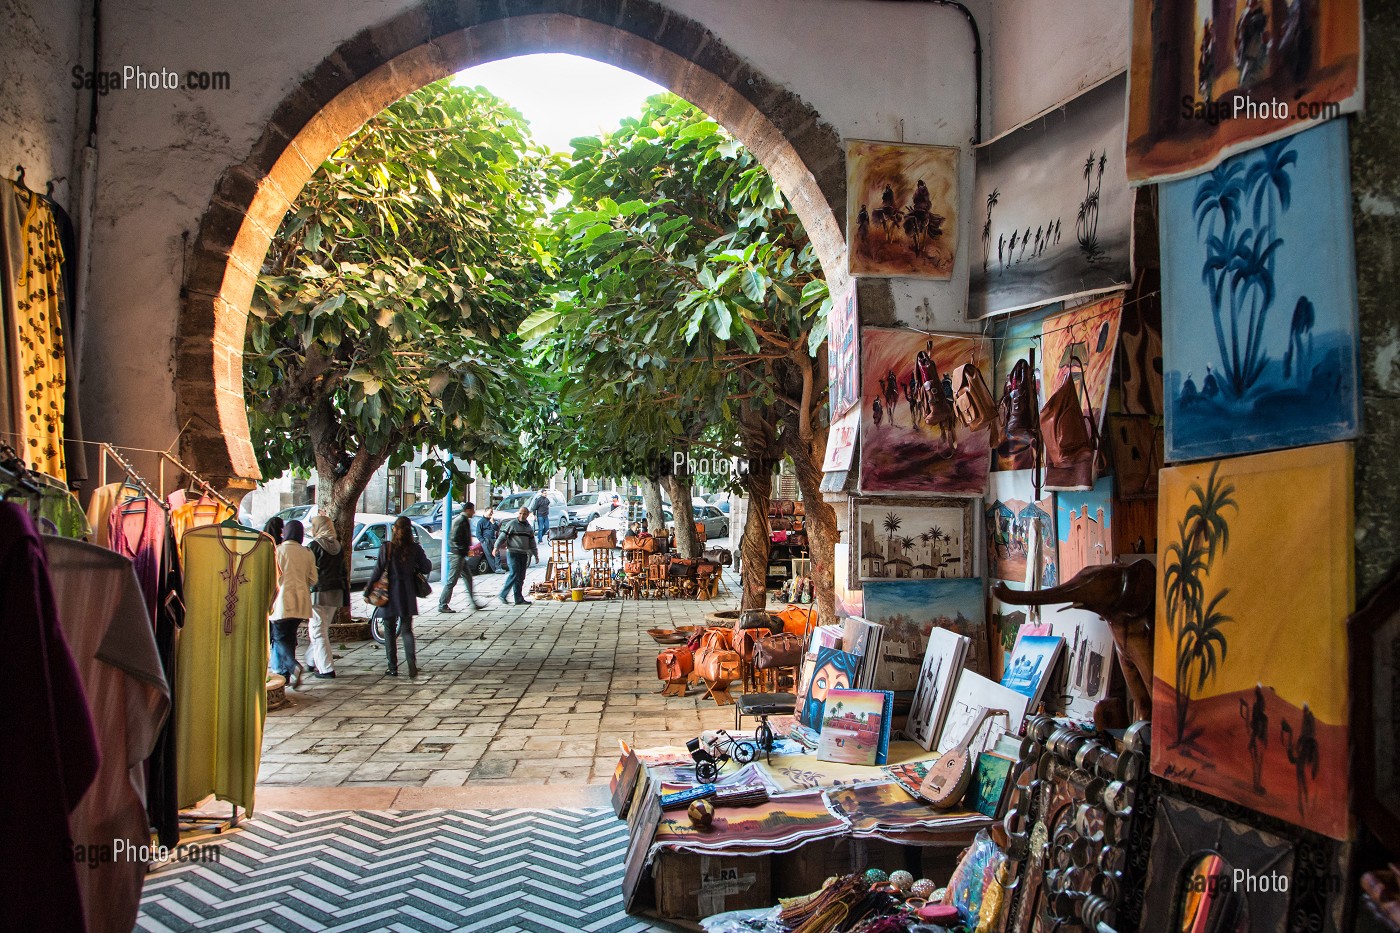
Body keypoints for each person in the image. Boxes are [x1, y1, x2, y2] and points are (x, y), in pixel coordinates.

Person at [365, 516, 432, 677]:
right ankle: (411, 663)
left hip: (389, 593)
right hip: (407, 592)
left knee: (389, 630)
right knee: (407, 630)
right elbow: (426, 567)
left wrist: (368, 590)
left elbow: (377, 571)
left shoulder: (387, 547)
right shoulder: (415, 548)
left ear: (394, 529)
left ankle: (392, 667)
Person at [269, 519, 316, 687]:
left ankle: (291, 665)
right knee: (289, 637)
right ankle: (286, 673)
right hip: (301, 602)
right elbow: (313, 579)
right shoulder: (307, 552)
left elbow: (272, 577)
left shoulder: (278, 551)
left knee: (279, 637)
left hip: (281, 601)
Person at [306, 515, 343, 678]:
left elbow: (310, 570)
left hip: (318, 592)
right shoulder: (338, 546)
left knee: (317, 631)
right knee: (322, 628)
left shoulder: (314, 546)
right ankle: (311, 660)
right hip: (336, 592)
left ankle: (326, 668)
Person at [439, 501, 486, 612]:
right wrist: (461, 550)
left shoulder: (463, 520)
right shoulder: (460, 521)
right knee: (452, 581)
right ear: (468, 510)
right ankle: (443, 604)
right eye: (473, 510)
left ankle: (473, 602)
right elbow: (453, 538)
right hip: (457, 555)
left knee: (468, 578)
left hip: (461, 555)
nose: (474, 512)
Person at [495, 506, 538, 605]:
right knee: (514, 574)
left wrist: (536, 555)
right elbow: (502, 536)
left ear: (527, 515)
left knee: (521, 577)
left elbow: (532, 542)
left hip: (523, 554)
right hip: (513, 553)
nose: (522, 515)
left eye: (524, 514)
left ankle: (518, 598)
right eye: (520, 513)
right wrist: (496, 547)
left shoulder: (528, 527)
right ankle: (503, 594)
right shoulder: (512, 524)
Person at [476, 506, 502, 572]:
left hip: (493, 539)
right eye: (491, 512)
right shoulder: (481, 522)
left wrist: (493, 523)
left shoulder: (492, 520)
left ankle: (499, 568)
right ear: (486, 512)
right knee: (490, 555)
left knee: (497, 553)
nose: (492, 513)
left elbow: (497, 528)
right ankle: (495, 569)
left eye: (492, 512)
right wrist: (483, 541)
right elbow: (478, 533)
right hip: (486, 540)